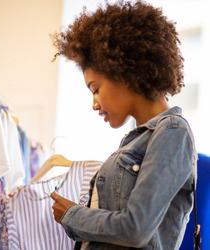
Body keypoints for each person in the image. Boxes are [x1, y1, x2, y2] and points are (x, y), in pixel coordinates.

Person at [50, 1, 197, 249]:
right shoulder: (136, 141)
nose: (94, 104)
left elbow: (135, 228)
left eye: (95, 90)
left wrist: (72, 215)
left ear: (124, 72)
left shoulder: (173, 133)